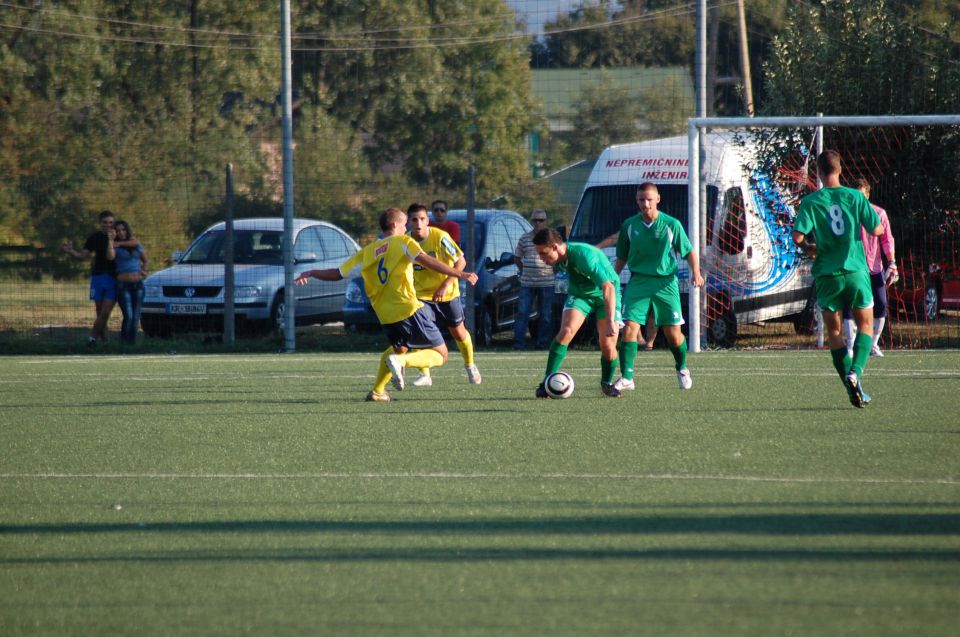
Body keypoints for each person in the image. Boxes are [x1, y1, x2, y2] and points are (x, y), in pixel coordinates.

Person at [296, 207, 478, 402]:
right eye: (404, 223)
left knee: (398, 348)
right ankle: (401, 363)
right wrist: (460, 274)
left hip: (384, 314)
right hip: (407, 308)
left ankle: (378, 392)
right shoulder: (403, 242)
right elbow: (427, 261)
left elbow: (337, 273)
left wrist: (313, 272)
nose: (407, 226)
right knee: (440, 354)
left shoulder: (367, 252)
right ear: (394, 225)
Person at [792, 150, 884, 408]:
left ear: (818, 173)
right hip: (855, 271)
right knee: (865, 325)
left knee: (834, 331)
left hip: (827, 275)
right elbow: (876, 228)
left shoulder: (811, 201)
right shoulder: (855, 196)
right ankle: (856, 372)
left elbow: (798, 237)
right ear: (841, 170)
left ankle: (850, 383)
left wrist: (811, 248)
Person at [613, 183, 705, 392]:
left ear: (658, 199)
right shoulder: (629, 225)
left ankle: (681, 368)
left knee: (673, 334)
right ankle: (627, 377)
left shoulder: (671, 224)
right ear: (637, 201)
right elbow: (621, 257)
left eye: (649, 199)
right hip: (639, 281)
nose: (645, 204)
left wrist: (696, 273)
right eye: (640, 200)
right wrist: (611, 279)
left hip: (666, 283)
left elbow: (689, 251)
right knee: (629, 329)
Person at [532, 228, 622, 398]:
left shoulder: (584, 256)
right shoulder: (559, 258)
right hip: (580, 295)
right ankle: (547, 382)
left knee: (608, 346)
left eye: (543, 254)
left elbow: (608, 287)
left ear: (554, 247)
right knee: (566, 331)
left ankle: (607, 384)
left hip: (607, 296)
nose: (541, 259)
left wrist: (611, 321)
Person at [404, 203, 481, 386]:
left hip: (447, 294)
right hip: (421, 296)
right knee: (418, 333)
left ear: (427, 221)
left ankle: (470, 366)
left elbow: (461, 262)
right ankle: (425, 374)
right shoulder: (405, 242)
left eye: (422, 219)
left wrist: (445, 285)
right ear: (408, 222)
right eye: (414, 220)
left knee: (459, 333)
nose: (418, 223)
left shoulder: (440, 237)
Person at [60, 210, 138, 346]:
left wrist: (115, 242)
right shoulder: (94, 238)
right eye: (105, 222)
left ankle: (92, 338)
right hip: (97, 277)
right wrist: (70, 251)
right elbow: (82, 255)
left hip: (113, 278)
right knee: (99, 311)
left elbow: (135, 243)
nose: (108, 225)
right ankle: (105, 342)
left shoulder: (118, 236)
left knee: (106, 312)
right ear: (100, 223)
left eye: (111, 222)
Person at [842, 178, 897, 358]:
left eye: (862, 196)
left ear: (868, 195)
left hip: (874, 268)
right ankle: (850, 345)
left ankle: (873, 344)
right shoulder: (847, 214)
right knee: (850, 305)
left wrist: (892, 263)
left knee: (880, 304)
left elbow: (887, 239)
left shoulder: (879, 213)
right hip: (853, 268)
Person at [512, 209, 556, 350]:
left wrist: (551, 271)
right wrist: (525, 270)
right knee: (522, 314)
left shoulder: (551, 239)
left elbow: (558, 259)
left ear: (545, 221)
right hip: (527, 282)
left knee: (546, 315)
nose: (538, 223)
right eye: (535, 220)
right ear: (531, 221)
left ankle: (542, 344)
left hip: (547, 282)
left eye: (541, 220)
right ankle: (519, 345)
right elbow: (517, 257)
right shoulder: (525, 238)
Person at [113, 220, 148, 345]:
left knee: (135, 317)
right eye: (118, 231)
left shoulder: (134, 244)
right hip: (123, 285)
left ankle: (132, 345)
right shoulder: (113, 245)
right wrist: (114, 243)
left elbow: (145, 260)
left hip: (138, 284)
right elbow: (110, 255)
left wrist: (144, 270)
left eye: (123, 229)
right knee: (128, 315)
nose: (121, 232)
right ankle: (124, 344)